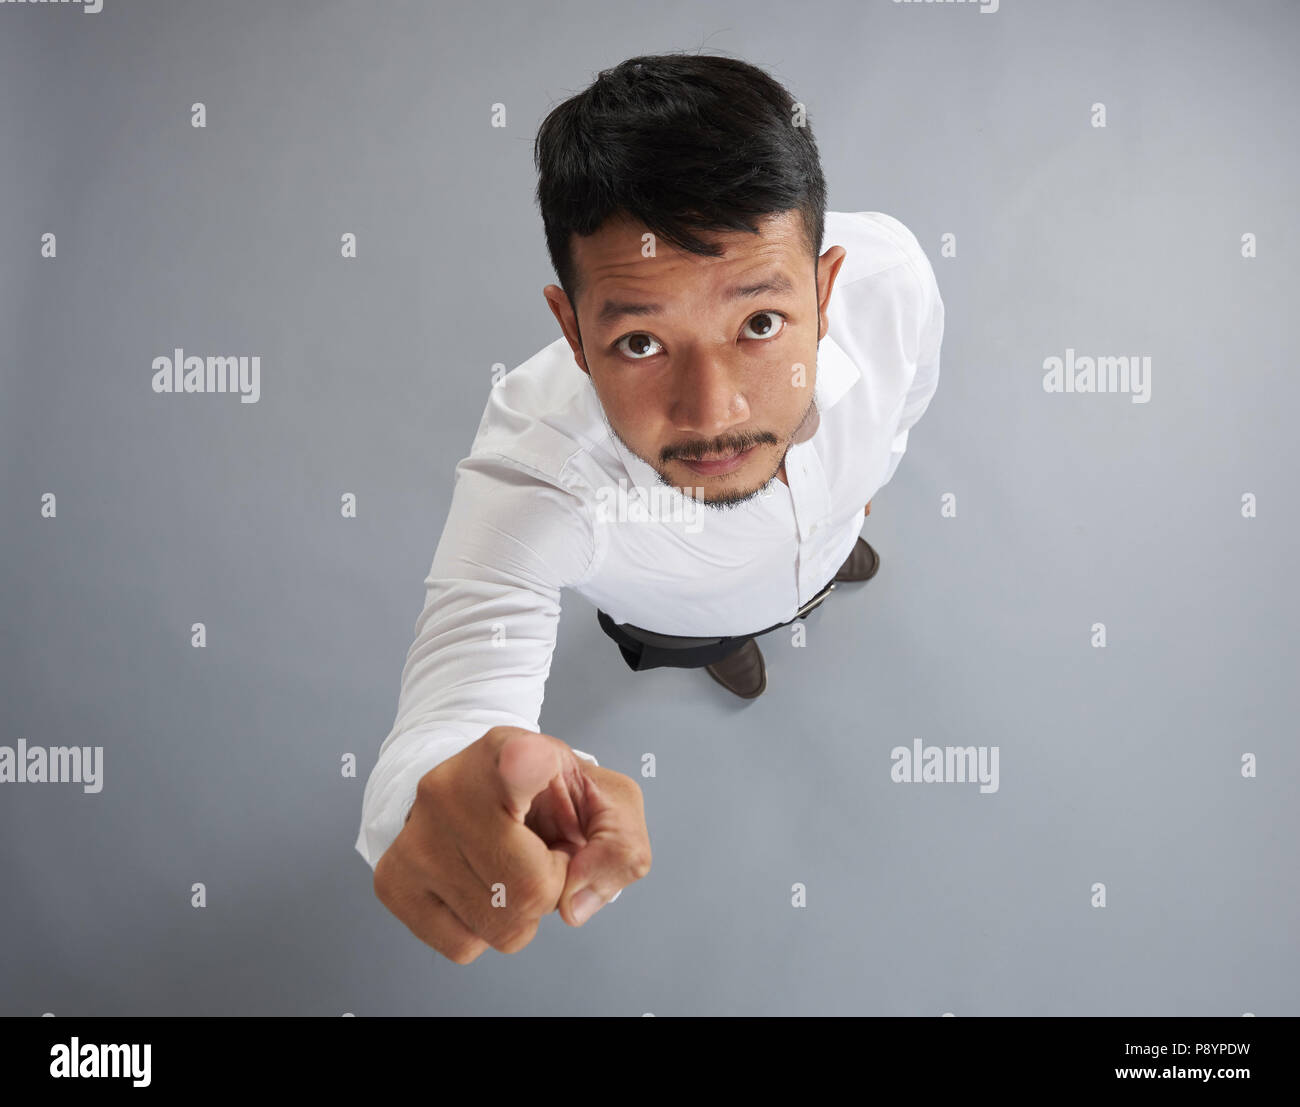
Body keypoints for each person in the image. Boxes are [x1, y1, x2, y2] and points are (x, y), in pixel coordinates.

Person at [359, 52, 945, 964]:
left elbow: (904, 402)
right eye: (639, 340)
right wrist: (430, 793)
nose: (713, 413)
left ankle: (835, 559)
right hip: (688, 619)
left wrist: (862, 490)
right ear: (573, 332)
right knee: (718, 640)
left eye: (758, 324)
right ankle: (732, 648)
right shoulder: (536, 469)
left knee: (837, 551)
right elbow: (453, 711)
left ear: (826, 292)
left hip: (836, 532)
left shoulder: (892, 278)